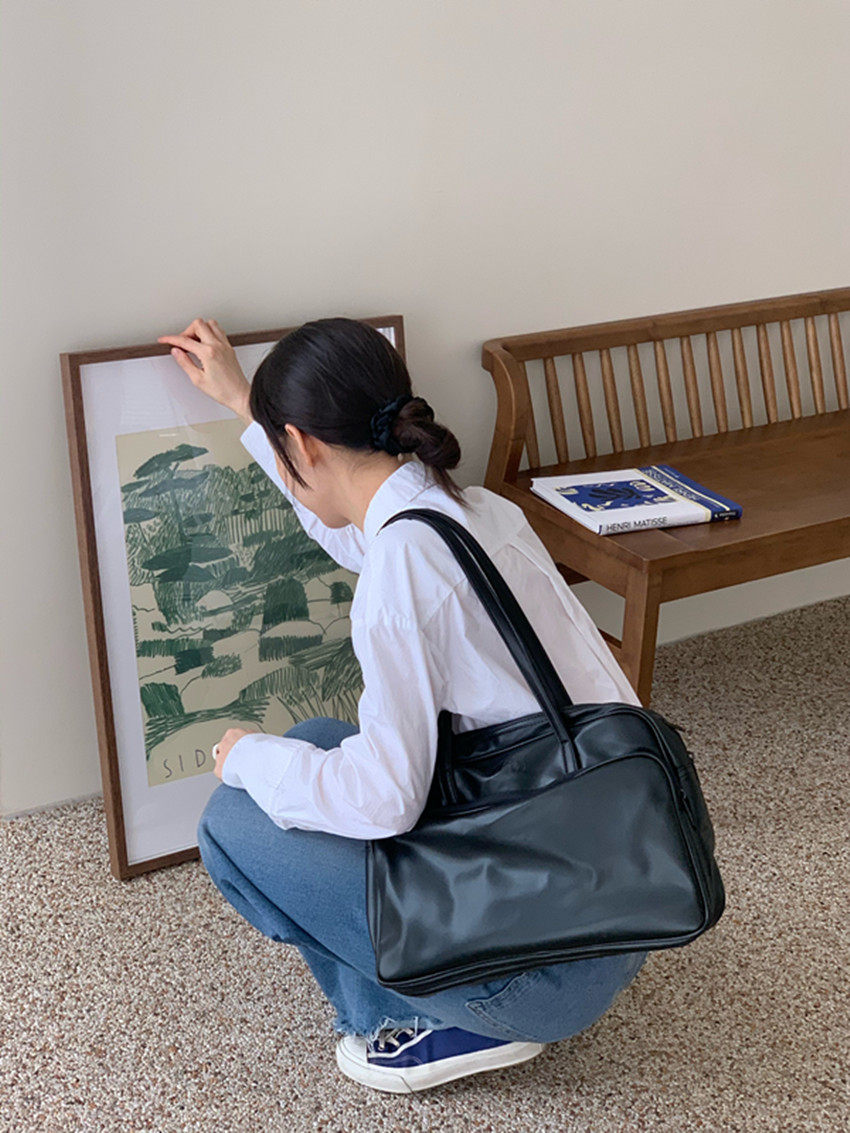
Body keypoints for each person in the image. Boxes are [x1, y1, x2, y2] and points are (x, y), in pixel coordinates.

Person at [156, 316, 649, 1094]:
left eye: (285, 446)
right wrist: (249, 404)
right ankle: (467, 994)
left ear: (303, 444)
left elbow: (387, 800)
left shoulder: (398, 579)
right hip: (619, 901)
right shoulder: (476, 512)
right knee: (318, 736)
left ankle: (434, 1017)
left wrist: (246, 753)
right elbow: (360, 533)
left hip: (537, 978)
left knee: (232, 820)